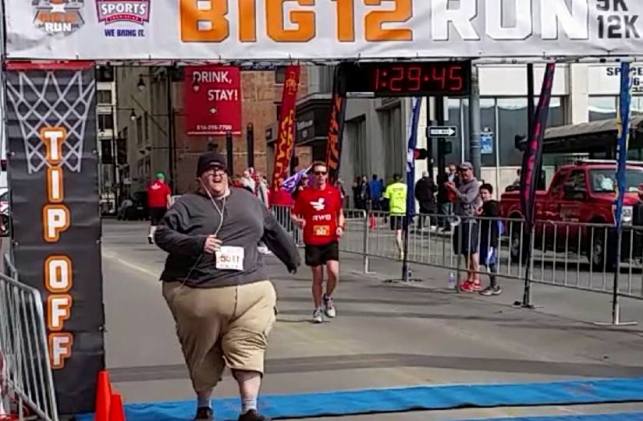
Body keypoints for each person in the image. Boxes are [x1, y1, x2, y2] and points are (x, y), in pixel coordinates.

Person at [154, 152, 300, 421]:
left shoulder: (248, 200)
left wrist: (291, 257)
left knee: (249, 345)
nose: (217, 174)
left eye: (221, 169)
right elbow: (162, 234)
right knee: (204, 352)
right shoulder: (186, 205)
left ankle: (249, 409)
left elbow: (272, 229)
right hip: (199, 290)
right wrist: (196, 243)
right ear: (199, 179)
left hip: (251, 290)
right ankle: (204, 406)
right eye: (210, 171)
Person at [291, 162, 345, 324]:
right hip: (312, 240)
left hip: (330, 238)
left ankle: (327, 297)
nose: (320, 176)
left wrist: (340, 226)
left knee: (334, 272)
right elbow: (293, 214)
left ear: (327, 175)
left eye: (323, 173)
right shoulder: (305, 194)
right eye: (317, 173)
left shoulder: (334, 192)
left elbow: (340, 213)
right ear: (312, 175)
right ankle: (317, 309)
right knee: (318, 277)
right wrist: (299, 221)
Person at [447, 162, 482, 291]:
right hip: (460, 220)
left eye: (466, 171)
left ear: (471, 170)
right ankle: (469, 278)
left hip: (470, 221)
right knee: (464, 252)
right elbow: (456, 199)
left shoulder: (474, 185)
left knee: (472, 251)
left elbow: (467, 199)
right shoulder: (461, 184)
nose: (463, 174)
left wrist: (454, 190)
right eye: (461, 171)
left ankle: (476, 279)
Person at [476, 183, 502, 296]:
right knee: (487, 262)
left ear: (490, 194)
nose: (483, 195)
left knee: (490, 261)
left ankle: (494, 286)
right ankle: (493, 285)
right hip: (484, 237)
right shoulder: (484, 206)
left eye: (485, 193)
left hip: (490, 238)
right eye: (481, 193)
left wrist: (480, 216)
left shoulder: (492, 205)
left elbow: (493, 216)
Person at [383, 173, 407, 260]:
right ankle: (403, 250)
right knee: (403, 233)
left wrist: (385, 214)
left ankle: (401, 251)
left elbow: (385, 202)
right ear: (401, 179)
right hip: (404, 212)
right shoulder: (405, 187)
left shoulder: (390, 187)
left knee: (398, 234)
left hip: (394, 212)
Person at [147, 172, 172, 244]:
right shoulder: (165, 187)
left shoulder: (151, 187)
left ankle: (151, 235)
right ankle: (162, 237)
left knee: (153, 222)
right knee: (163, 222)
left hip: (152, 207)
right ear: (162, 179)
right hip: (161, 207)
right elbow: (168, 198)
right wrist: (171, 207)